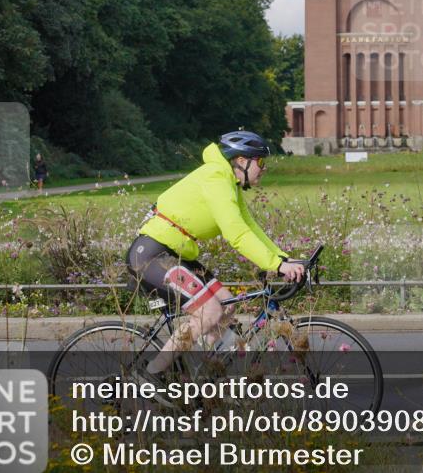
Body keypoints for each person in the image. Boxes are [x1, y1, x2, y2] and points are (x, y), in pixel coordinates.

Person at [126, 130, 305, 385]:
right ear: (242, 161)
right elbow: (237, 234)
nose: (264, 169)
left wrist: (284, 259)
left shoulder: (228, 182)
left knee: (227, 304)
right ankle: (151, 374)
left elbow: (250, 227)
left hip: (173, 253)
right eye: (261, 162)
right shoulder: (216, 178)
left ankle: (202, 376)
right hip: (152, 254)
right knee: (209, 312)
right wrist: (277, 265)